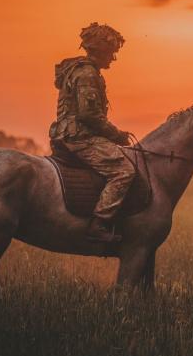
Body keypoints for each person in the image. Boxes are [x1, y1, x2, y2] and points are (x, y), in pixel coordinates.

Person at [49, 22, 135, 243]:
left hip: (72, 134)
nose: (113, 59)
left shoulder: (83, 71)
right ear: (101, 51)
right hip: (81, 137)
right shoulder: (87, 74)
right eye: (111, 53)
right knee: (124, 170)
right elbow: (89, 115)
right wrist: (117, 135)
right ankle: (99, 224)